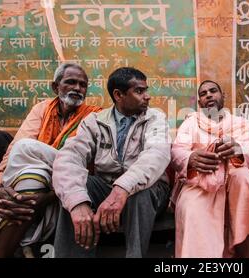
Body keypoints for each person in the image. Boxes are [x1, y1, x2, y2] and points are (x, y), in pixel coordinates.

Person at [52, 67, 171, 258]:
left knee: (141, 193)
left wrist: (122, 188)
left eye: (146, 90)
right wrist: (77, 203)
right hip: (105, 187)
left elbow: (156, 155)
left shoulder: (155, 117)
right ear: (118, 95)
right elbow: (69, 157)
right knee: (75, 189)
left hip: (150, 192)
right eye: (139, 91)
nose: (147, 97)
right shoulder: (95, 121)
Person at [0, 63, 102, 257]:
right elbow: (13, 153)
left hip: (67, 184)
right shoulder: (42, 109)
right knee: (32, 171)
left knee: (28, 151)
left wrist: (48, 197)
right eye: (71, 82)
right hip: (35, 181)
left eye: (83, 85)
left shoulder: (94, 116)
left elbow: (88, 167)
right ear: (55, 87)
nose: (77, 88)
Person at [170, 80, 249, 258]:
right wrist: (192, 158)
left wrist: (238, 150)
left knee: (243, 175)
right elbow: (178, 151)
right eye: (203, 93)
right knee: (191, 208)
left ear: (223, 96)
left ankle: (245, 252)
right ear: (200, 102)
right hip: (199, 182)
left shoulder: (240, 123)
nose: (208, 95)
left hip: (233, 181)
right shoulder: (190, 123)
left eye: (213, 91)